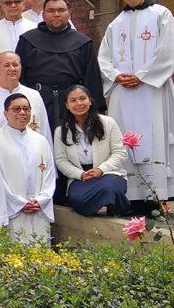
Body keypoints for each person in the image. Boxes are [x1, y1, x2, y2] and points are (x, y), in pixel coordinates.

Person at [98, 0, 174, 206]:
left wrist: (142, 77)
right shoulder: (116, 23)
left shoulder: (161, 15)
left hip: (152, 88)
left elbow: (169, 51)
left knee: (154, 137)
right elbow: (104, 57)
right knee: (122, 139)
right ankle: (130, 195)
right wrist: (116, 75)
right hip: (123, 91)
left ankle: (156, 195)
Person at [17, 0, 104, 131]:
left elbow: (92, 78)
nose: (56, 14)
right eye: (51, 11)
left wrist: (96, 109)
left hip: (73, 102)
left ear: (69, 13)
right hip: (38, 100)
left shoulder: (82, 42)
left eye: (61, 10)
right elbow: (20, 76)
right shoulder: (27, 40)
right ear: (43, 14)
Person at [54, 84, 130, 217]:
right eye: (73, 100)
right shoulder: (61, 131)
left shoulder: (108, 122)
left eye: (82, 98)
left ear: (90, 100)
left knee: (109, 187)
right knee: (78, 200)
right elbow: (61, 161)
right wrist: (80, 174)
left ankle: (118, 207)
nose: (79, 103)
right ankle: (113, 202)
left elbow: (120, 152)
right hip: (80, 178)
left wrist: (101, 170)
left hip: (108, 173)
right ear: (67, 105)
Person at [0, 93, 56, 244]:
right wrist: (19, 203)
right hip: (11, 210)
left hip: (38, 210)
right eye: (16, 109)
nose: (22, 113)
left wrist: (40, 200)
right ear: (6, 113)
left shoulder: (41, 141)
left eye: (26, 109)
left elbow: (49, 175)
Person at [0, 51, 52, 146]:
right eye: (6, 65)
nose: (12, 68)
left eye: (15, 65)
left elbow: (44, 131)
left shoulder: (34, 95)